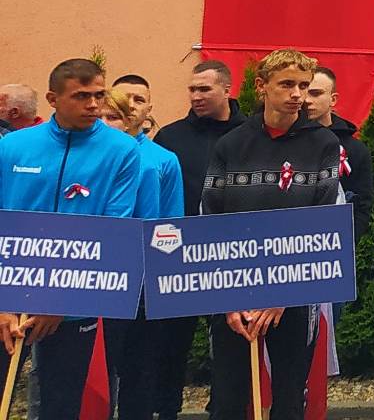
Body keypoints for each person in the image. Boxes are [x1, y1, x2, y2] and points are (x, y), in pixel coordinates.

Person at [200, 49, 344, 420]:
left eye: (304, 86)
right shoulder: (231, 144)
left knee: (289, 396)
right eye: (287, 85)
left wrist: (284, 292)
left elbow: (324, 223)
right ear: (262, 87)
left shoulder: (323, 144)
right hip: (233, 292)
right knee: (229, 396)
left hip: (294, 295)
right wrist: (229, 296)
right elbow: (210, 217)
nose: (298, 94)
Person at [0, 59, 141, 419]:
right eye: (81, 96)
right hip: (7, 294)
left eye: (98, 95)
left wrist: (58, 302)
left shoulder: (122, 151)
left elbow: (114, 228)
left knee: (60, 404)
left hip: (75, 299)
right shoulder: (11, 147)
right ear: (53, 98)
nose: (93, 105)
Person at [148, 60, 246, 419]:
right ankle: (165, 409)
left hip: (232, 254)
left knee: (230, 343)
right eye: (191, 89)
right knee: (170, 343)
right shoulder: (171, 137)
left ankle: (224, 410)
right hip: (178, 255)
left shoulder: (249, 135)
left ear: (227, 90)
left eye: (204, 89)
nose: (196, 96)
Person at [102, 84, 185, 420]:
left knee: (139, 366)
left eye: (116, 116)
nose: (109, 122)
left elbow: (171, 222)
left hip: (142, 280)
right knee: (98, 366)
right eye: (103, 116)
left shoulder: (162, 160)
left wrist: (160, 274)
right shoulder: (92, 157)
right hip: (96, 274)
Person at [304, 66, 374, 243]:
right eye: (304, 91)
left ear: (333, 99)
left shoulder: (355, 149)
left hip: (335, 243)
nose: (306, 100)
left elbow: (363, 204)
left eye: (315, 93)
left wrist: (346, 242)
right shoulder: (286, 142)